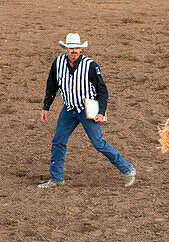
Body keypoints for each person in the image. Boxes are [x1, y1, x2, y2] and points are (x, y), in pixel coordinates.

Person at [38, 33, 135, 188]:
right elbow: (52, 85)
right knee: (58, 141)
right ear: (66, 49)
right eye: (71, 48)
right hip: (69, 109)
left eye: (76, 48)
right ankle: (56, 178)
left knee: (98, 143)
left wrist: (101, 112)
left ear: (81, 49)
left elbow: (102, 90)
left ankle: (127, 169)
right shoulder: (58, 63)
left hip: (87, 109)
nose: (74, 51)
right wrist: (46, 107)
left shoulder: (90, 65)